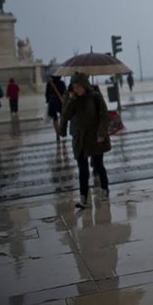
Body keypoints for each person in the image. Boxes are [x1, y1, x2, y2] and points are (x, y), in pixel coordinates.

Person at [60, 72, 111, 209]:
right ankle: (83, 198)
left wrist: (101, 133)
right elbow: (65, 115)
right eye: (74, 87)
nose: (76, 89)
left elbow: (104, 116)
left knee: (98, 165)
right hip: (79, 138)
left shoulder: (95, 96)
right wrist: (71, 100)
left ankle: (105, 189)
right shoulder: (72, 98)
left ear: (84, 86)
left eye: (78, 87)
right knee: (82, 169)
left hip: (94, 137)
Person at [46, 75, 67, 142]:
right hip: (60, 102)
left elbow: (47, 94)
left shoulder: (49, 84)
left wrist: (48, 100)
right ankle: (62, 130)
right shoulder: (61, 83)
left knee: (55, 119)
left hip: (52, 102)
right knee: (62, 117)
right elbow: (65, 92)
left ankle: (57, 132)